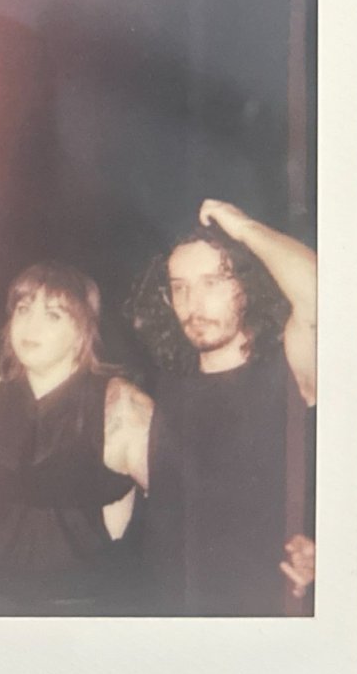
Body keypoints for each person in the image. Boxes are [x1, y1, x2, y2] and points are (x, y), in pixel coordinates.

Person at [129, 199, 316, 615]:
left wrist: (243, 227)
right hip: (172, 616)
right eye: (179, 287)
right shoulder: (170, 381)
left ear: (246, 286)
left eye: (212, 281)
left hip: (259, 615)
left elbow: (323, 295)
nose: (193, 302)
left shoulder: (288, 368)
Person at [0, 261, 153, 616]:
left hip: (81, 609)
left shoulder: (121, 405)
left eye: (52, 315)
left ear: (82, 332)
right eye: (23, 309)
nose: (31, 325)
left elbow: (181, 511)